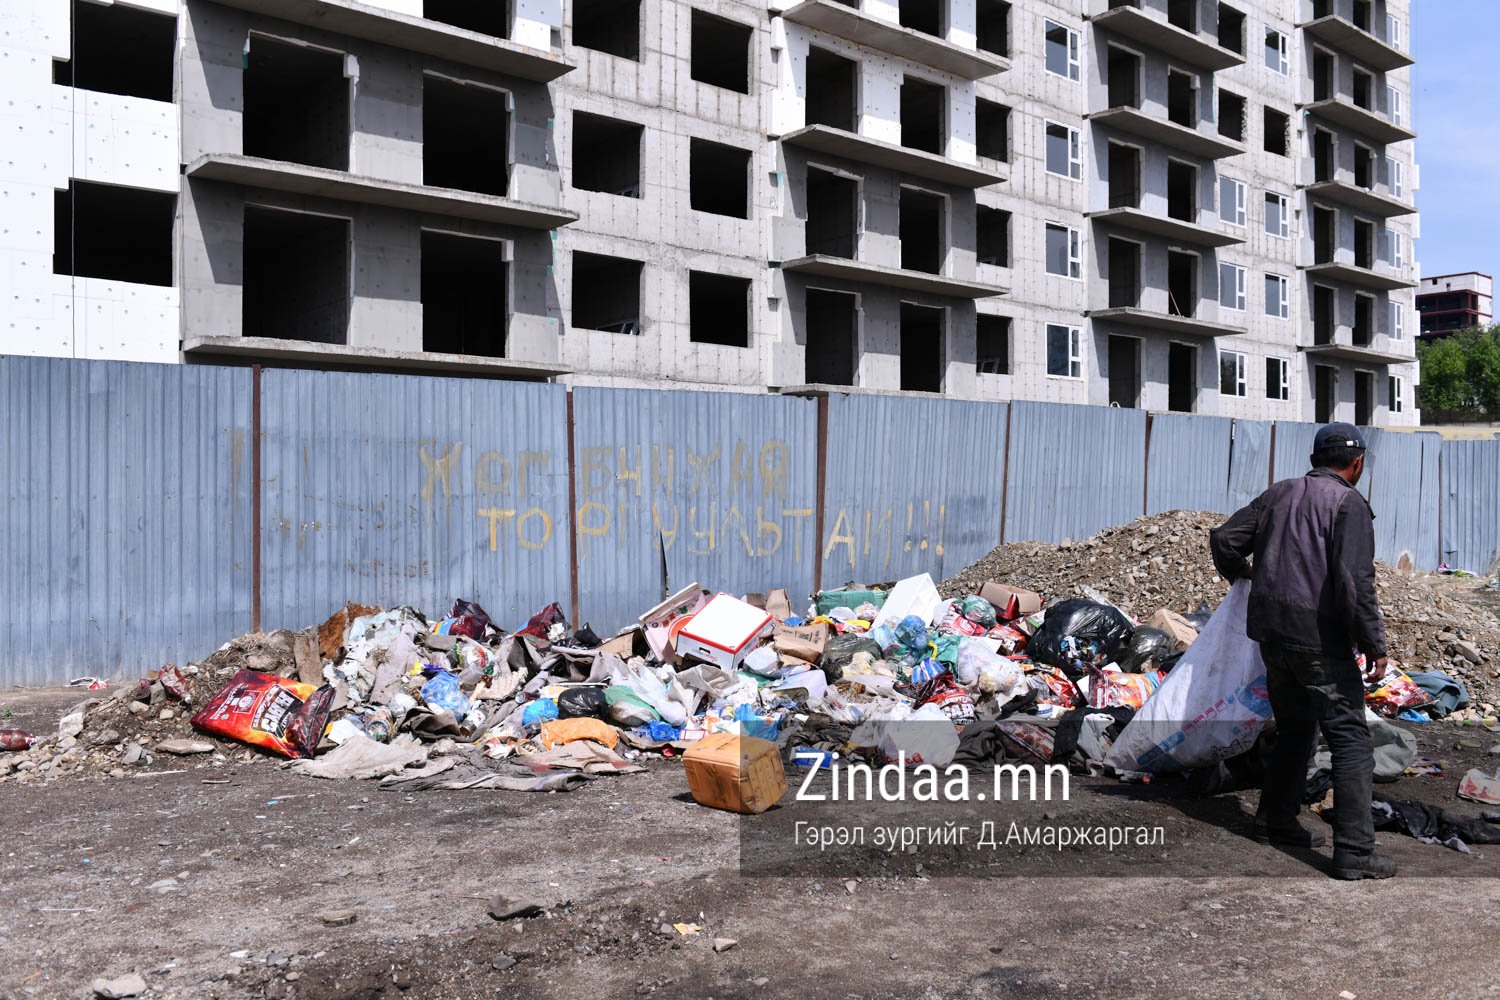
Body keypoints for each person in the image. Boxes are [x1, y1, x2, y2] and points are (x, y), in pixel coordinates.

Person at [1208, 422, 1395, 880]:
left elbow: (1224, 540)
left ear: (1315, 459)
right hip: (1318, 640)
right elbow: (1355, 584)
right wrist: (1374, 643)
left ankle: (1274, 821)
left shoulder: (1280, 492)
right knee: (1351, 741)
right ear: (1357, 465)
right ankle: (1354, 852)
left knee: (1295, 730)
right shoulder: (1348, 504)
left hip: (1272, 635)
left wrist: (1244, 575)